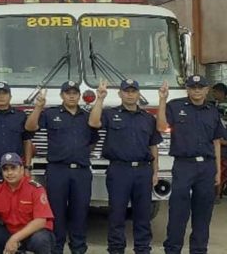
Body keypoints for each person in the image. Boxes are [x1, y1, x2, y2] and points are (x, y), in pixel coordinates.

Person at [25, 81, 99, 254]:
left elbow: (93, 142)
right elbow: (29, 128)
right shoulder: (50, 114)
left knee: (80, 212)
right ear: (61, 95)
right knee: (56, 213)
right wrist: (38, 107)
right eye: (68, 92)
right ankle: (56, 248)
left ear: (79, 96)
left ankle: (78, 249)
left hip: (81, 171)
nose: (71, 96)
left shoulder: (87, 116)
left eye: (75, 93)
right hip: (58, 170)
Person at [89, 79, 161, 254]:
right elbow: (93, 123)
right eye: (126, 91)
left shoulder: (148, 118)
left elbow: (153, 145)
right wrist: (99, 98)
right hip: (119, 170)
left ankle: (143, 249)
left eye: (133, 91)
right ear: (120, 94)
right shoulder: (110, 114)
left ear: (138, 94)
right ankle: (116, 249)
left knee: (142, 215)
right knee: (117, 214)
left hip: (143, 170)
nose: (130, 94)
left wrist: (155, 171)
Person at [158, 75, 226, 254]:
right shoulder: (175, 106)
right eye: (193, 87)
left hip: (206, 167)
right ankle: (172, 249)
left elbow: (216, 142)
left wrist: (218, 171)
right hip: (184, 166)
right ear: (187, 89)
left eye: (200, 87)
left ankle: (199, 250)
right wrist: (162, 100)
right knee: (178, 212)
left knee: (203, 213)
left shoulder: (212, 111)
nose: (196, 90)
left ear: (206, 89)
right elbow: (160, 126)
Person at [0, 153, 54, 254]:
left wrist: (14, 239)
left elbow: (40, 221)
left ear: (22, 169)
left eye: (13, 168)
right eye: (5, 169)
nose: (9, 173)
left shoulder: (35, 189)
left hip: (32, 233)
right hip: (10, 231)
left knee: (41, 240)